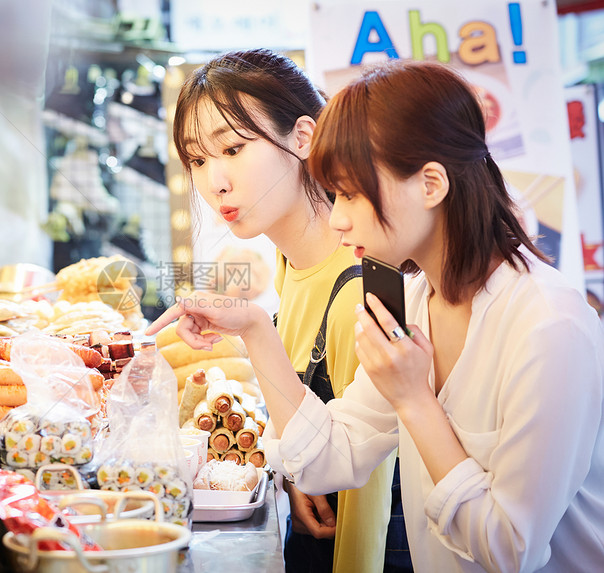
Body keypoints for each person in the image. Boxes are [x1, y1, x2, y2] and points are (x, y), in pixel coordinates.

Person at [149, 58, 604, 572]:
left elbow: (508, 549)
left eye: (352, 193)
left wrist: (414, 399)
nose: (338, 216)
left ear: (430, 185)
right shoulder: (412, 302)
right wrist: (254, 328)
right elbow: (327, 458)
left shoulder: (548, 324)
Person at [170, 49, 396, 573]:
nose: (215, 183)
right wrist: (294, 470)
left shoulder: (362, 290)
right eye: (198, 160)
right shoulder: (287, 261)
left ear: (303, 137)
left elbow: (372, 501)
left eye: (232, 148)